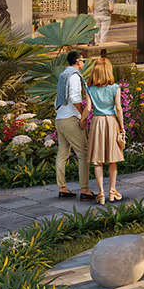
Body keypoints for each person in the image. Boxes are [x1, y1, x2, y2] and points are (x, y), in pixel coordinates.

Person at [85, 53, 125, 203]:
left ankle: (101, 193)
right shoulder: (115, 88)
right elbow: (119, 108)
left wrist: (82, 120)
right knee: (112, 160)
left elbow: (88, 108)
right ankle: (112, 191)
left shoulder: (89, 89)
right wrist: (122, 127)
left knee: (97, 161)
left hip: (97, 122)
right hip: (111, 122)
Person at [54, 50, 93, 201]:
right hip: (71, 118)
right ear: (77, 61)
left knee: (62, 154)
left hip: (60, 118)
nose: (83, 63)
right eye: (83, 61)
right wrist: (83, 116)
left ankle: (62, 188)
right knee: (83, 153)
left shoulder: (63, 75)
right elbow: (76, 98)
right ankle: (85, 190)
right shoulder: (74, 76)